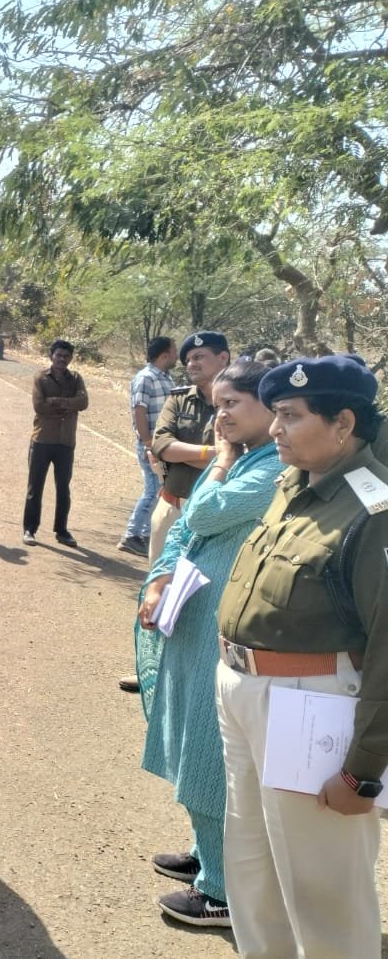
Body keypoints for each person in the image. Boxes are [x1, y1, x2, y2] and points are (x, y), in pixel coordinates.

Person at [214, 355, 388, 958]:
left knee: (323, 890)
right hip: (244, 689)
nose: (277, 428)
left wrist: (362, 770)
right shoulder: (297, 484)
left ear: (343, 422)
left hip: (310, 705)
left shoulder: (374, 512)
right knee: (252, 868)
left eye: (291, 416)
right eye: (277, 415)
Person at [132, 361, 283, 928]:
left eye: (231, 404)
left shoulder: (270, 469)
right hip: (193, 619)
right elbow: (187, 535)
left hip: (223, 629)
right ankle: (207, 854)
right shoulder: (249, 460)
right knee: (190, 738)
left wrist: (217, 462)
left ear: (268, 408)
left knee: (209, 750)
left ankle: (221, 890)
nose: (220, 416)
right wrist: (160, 578)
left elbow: (203, 511)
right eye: (216, 405)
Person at [149, 331, 231, 563]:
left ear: (223, 358)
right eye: (188, 360)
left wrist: (179, 454)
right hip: (171, 507)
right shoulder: (178, 399)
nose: (191, 364)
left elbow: (238, 457)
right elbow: (162, 446)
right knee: (157, 590)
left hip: (213, 517)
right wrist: (212, 454)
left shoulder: (242, 403)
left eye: (199, 357)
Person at [22, 339, 88, 547]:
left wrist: (57, 401)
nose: (62, 359)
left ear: (71, 359)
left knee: (63, 489)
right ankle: (29, 530)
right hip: (42, 440)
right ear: (51, 355)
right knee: (35, 487)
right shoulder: (40, 378)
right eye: (58, 355)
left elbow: (83, 402)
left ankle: (62, 531)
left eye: (66, 356)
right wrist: (69, 405)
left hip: (65, 442)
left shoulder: (76, 378)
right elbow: (39, 406)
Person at [118, 336, 176, 556]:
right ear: (164, 354)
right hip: (151, 444)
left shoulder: (166, 378)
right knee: (153, 490)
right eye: (174, 351)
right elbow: (139, 410)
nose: (176, 356)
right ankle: (132, 535)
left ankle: (141, 534)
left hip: (163, 445)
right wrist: (147, 442)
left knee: (158, 489)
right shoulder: (146, 378)